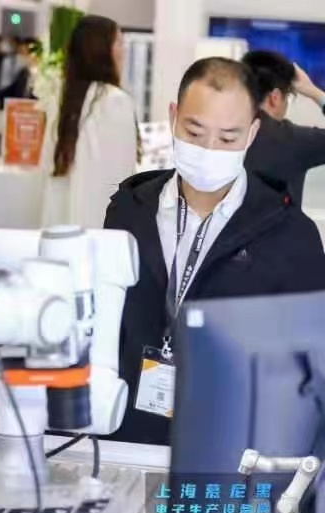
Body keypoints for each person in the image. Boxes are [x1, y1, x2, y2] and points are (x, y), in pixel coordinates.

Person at [104, 57, 325, 446]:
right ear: (173, 117)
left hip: (229, 447)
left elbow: (308, 371)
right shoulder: (129, 209)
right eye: (195, 131)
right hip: (131, 434)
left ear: (252, 133)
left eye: (227, 138)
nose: (209, 149)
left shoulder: (290, 234)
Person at [44, 15, 137, 229]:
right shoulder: (115, 100)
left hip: (58, 223)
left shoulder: (60, 100)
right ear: (102, 51)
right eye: (119, 43)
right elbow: (124, 172)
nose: (123, 51)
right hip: (99, 224)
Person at [242, 51, 325, 205]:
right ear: (275, 97)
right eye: (287, 97)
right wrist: (314, 92)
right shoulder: (294, 140)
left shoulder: (220, 131)